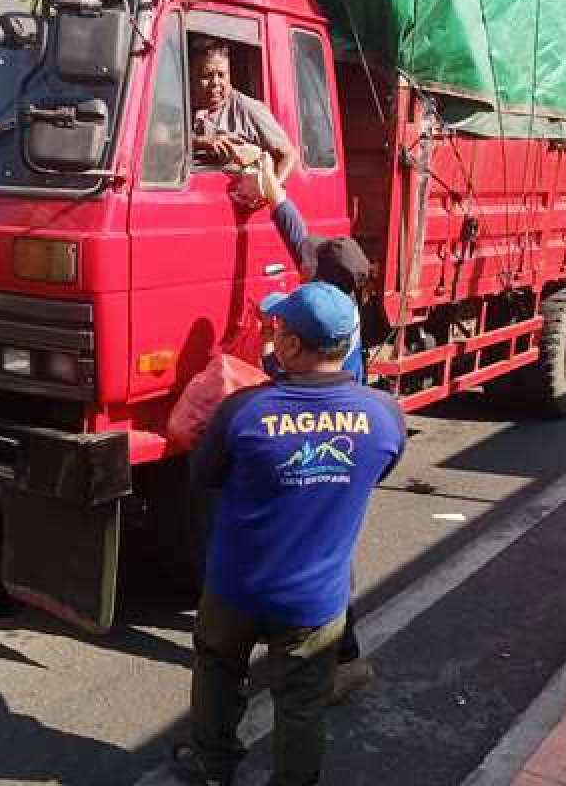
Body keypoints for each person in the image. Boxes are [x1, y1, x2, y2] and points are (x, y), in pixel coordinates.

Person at [173, 282, 407, 786]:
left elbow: (203, 477)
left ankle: (213, 770)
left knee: (218, 675)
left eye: (279, 329)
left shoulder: (244, 412)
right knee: (303, 706)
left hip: (237, 585)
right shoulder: (386, 417)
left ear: (294, 346)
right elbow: (374, 474)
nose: (273, 336)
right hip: (316, 597)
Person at [254, 149, 379, 700]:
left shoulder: (332, 349)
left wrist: (266, 358)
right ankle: (332, 652)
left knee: (322, 567)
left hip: (318, 463)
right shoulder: (344, 313)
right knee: (329, 558)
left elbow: (294, 378)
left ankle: (344, 661)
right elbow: (302, 240)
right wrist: (275, 194)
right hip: (339, 470)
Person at [189, 36, 297, 182]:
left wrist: (268, 191)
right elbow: (159, 140)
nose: (215, 83)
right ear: (191, 75)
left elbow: (289, 155)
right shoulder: (182, 107)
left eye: (221, 75)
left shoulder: (249, 109)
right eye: (206, 76)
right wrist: (200, 142)